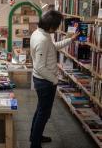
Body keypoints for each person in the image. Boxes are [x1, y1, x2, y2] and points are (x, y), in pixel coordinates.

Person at [29, 10, 79, 148]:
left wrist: (70, 40)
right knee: (43, 113)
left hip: (43, 80)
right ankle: (35, 143)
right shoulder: (42, 39)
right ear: (51, 26)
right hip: (45, 82)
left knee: (41, 110)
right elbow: (40, 67)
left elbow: (53, 47)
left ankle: (35, 136)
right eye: (57, 26)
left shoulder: (40, 34)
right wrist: (54, 79)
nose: (57, 28)